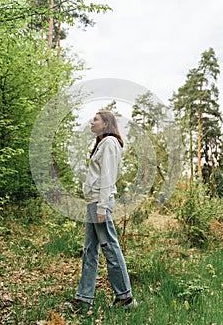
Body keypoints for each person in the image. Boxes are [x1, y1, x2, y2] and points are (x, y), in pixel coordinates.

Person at [68, 111, 137, 313]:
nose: (92, 122)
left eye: (96, 119)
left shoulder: (109, 143)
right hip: (93, 201)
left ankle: (125, 297)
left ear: (106, 124)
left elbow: (108, 176)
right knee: (90, 250)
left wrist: (101, 206)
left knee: (109, 246)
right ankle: (83, 299)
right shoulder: (100, 144)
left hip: (100, 202)